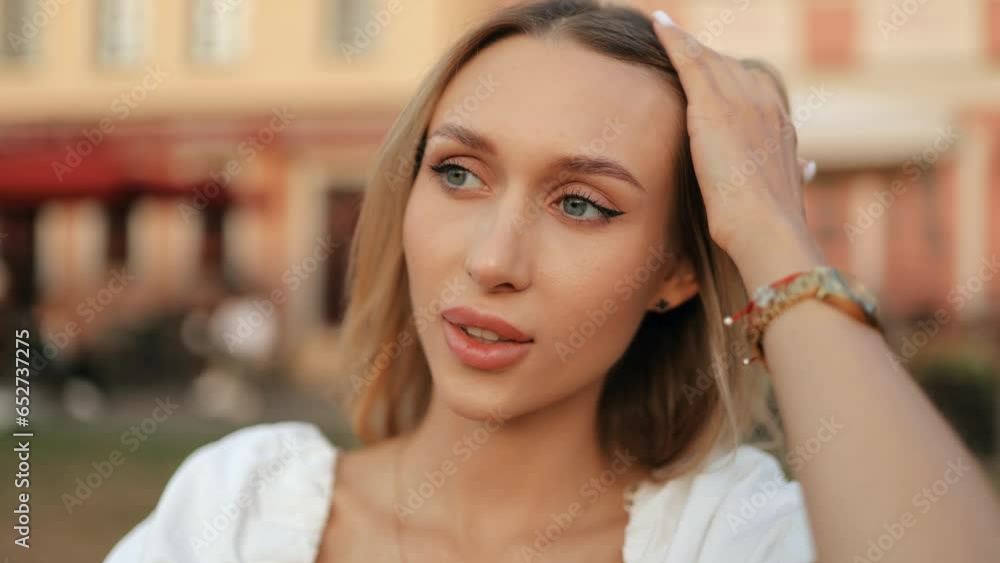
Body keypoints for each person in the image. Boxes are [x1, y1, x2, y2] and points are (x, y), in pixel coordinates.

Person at [105, 2, 1000, 562]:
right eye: (458, 173)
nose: (493, 259)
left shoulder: (729, 538)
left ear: (679, 271)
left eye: (582, 203)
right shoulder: (239, 508)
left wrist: (774, 237)